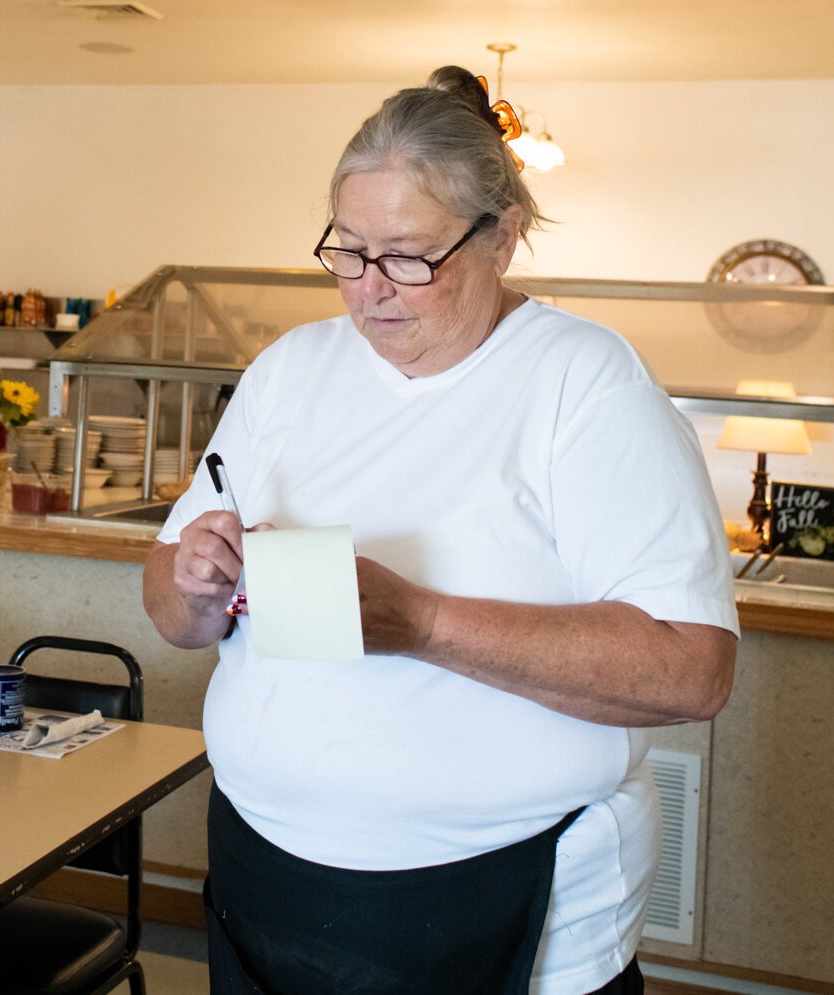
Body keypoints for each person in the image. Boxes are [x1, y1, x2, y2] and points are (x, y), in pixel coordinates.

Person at [143, 65, 738, 995]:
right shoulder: (288, 370)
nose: (373, 290)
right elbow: (171, 608)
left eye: (410, 255)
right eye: (347, 251)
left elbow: (691, 669)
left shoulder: (585, 385)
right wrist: (194, 582)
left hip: (504, 901)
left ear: (500, 238)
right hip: (264, 876)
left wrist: (421, 622)